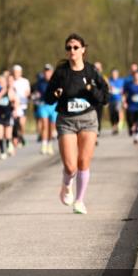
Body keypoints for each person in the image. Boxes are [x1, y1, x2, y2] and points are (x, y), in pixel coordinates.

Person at [44, 34, 108, 215]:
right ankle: (66, 184)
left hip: (88, 119)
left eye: (75, 47)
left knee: (83, 162)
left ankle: (79, 201)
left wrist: (91, 89)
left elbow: (104, 97)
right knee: (70, 166)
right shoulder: (61, 72)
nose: (71, 51)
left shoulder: (91, 71)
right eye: (68, 48)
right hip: (66, 120)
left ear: (83, 50)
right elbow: (47, 98)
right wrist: (55, 94)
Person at [33, 64, 58, 154]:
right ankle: (43, 145)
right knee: (44, 125)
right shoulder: (40, 82)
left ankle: (49, 145)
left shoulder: (56, 81)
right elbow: (36, 92)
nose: (47, 73)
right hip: (43, 105)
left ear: (51, 72)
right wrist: (36, 95)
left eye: (48, 71)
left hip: (54, 106)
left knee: (51, 127)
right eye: (45, 71)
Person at [0, 72, 17, 159]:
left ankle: (8, 145)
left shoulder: (10, 91)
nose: (1, 84)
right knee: (0, 134)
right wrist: (2, 90)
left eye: (2, 82)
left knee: (7, 135)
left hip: (8, 115)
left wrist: (15, 109)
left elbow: (15, 101)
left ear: (6, 82)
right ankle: (2, 152)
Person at [10, 65, 31, 149]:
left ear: (21, 73)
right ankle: (15, 139)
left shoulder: (25, 81)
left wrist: (26, 94)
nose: (16, 74)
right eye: (15, 72)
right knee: (14, 124)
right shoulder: (11, 81)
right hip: (13, 106)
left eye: (18, 72)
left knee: (21, 124)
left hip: (23, 105)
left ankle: (21, 136)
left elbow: (28, 92)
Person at [107, 69, 126, 134]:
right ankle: (114, 127)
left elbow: (124, 90)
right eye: (113, 73)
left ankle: (119, 125)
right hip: (110, 100)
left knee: (118, 111)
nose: (114, 75)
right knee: (112, 114)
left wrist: (123, 97)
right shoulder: (109, 80)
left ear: (117, 74)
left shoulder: (121, 81)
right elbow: (106, 89)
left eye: (115, 73)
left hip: (118, 99)